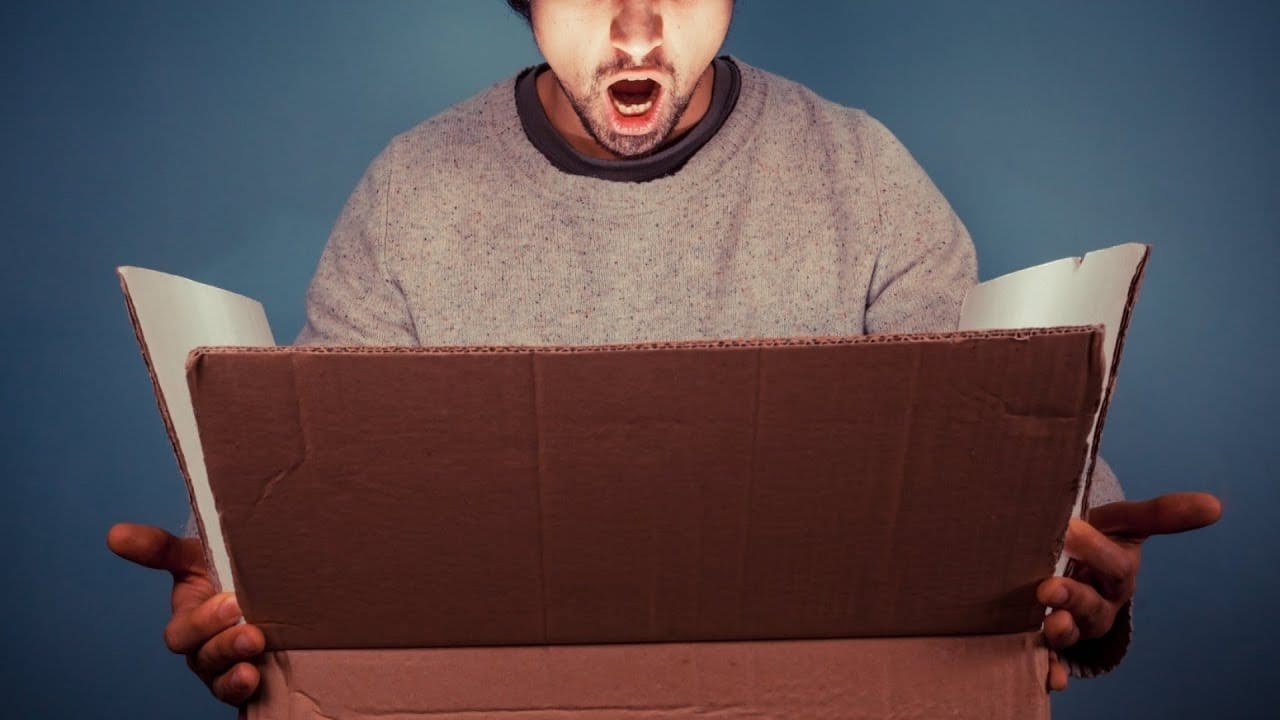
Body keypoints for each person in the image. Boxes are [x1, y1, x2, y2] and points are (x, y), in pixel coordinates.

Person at [107, 0, 1221, 708]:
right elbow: (329, 505)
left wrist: (1083, 589)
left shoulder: (858, 174)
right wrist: (253, 606)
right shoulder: (413, 197)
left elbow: (990, 461)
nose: (637, 32)